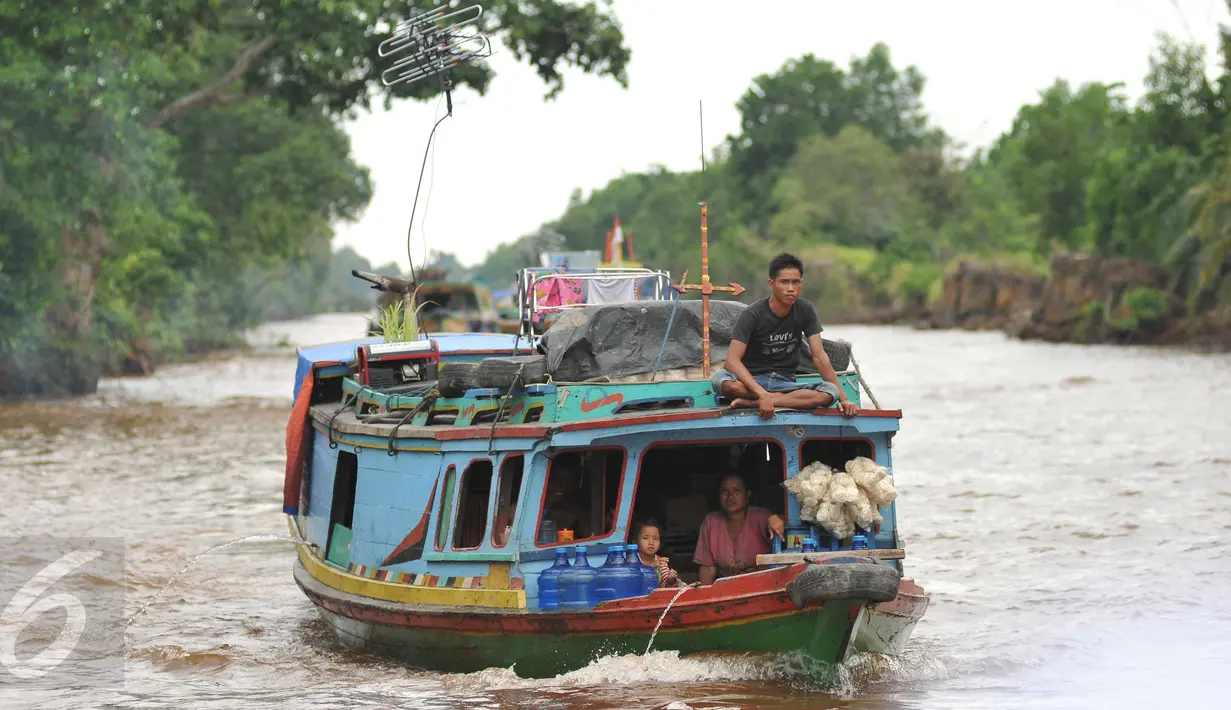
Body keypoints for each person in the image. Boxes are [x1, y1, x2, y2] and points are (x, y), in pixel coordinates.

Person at [711, 253, 859, 420]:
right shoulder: (753, 314)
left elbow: (819, 357)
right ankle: (767, 399)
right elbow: (732, 361)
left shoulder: (805, 310)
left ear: (801, 284)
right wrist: (761, 393)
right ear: (771, 284)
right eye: (784, 282)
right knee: (720, 381)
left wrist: (844, 399)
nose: (791, 288)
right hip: (751, 382)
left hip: (784, 383)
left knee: (830, 391)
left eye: (795, 282)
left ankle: (755, 402)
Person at [693, 474, 786, 585]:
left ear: (747, 495)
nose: (730, 496)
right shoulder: (711, 522)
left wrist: (775, 519)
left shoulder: (761, 516)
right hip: (726, 591)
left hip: (761, 587)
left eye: (737, 490)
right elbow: (708, 569)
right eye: (725, 491)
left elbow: (778, 523)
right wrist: (705, 598)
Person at [632, 518, 679, 587]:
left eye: (655, 538)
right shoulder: (631, 559)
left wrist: (670, 580)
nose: (651, 543)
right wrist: (651, 566)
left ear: (660, 544)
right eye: (645, 538)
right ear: (635, 542)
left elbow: (665, 586)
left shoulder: (661, 563)